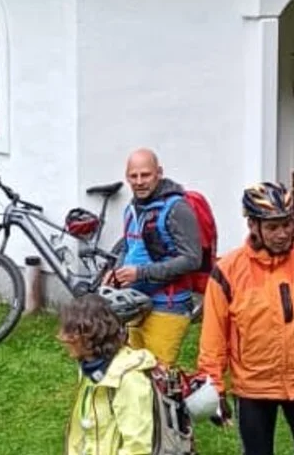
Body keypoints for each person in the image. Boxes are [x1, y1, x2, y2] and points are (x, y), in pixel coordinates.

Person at [198, 181, 294, 455]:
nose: (282, 234)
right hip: (253, 387)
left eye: (287, 224)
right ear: (253, 226)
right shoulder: (228, 271)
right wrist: (214, 387)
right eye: (272, 227)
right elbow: (213, 337)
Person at [105, 148, 201, 366]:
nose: (139, 182)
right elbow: (129, 247)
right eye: (133, 176)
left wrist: (140, 273)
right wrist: (116, 271)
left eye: (145, 175)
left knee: (158, 376)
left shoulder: (177, 208)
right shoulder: (131, 209)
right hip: (134, 304)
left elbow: (192, 258)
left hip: (168, 305)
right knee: (134, 375)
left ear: (159, 172)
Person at [61, 292, 158, 455]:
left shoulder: (129, 379)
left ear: (94, 335)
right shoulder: (90, 369)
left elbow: (137, 448)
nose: (62, 337)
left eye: (71, 332)